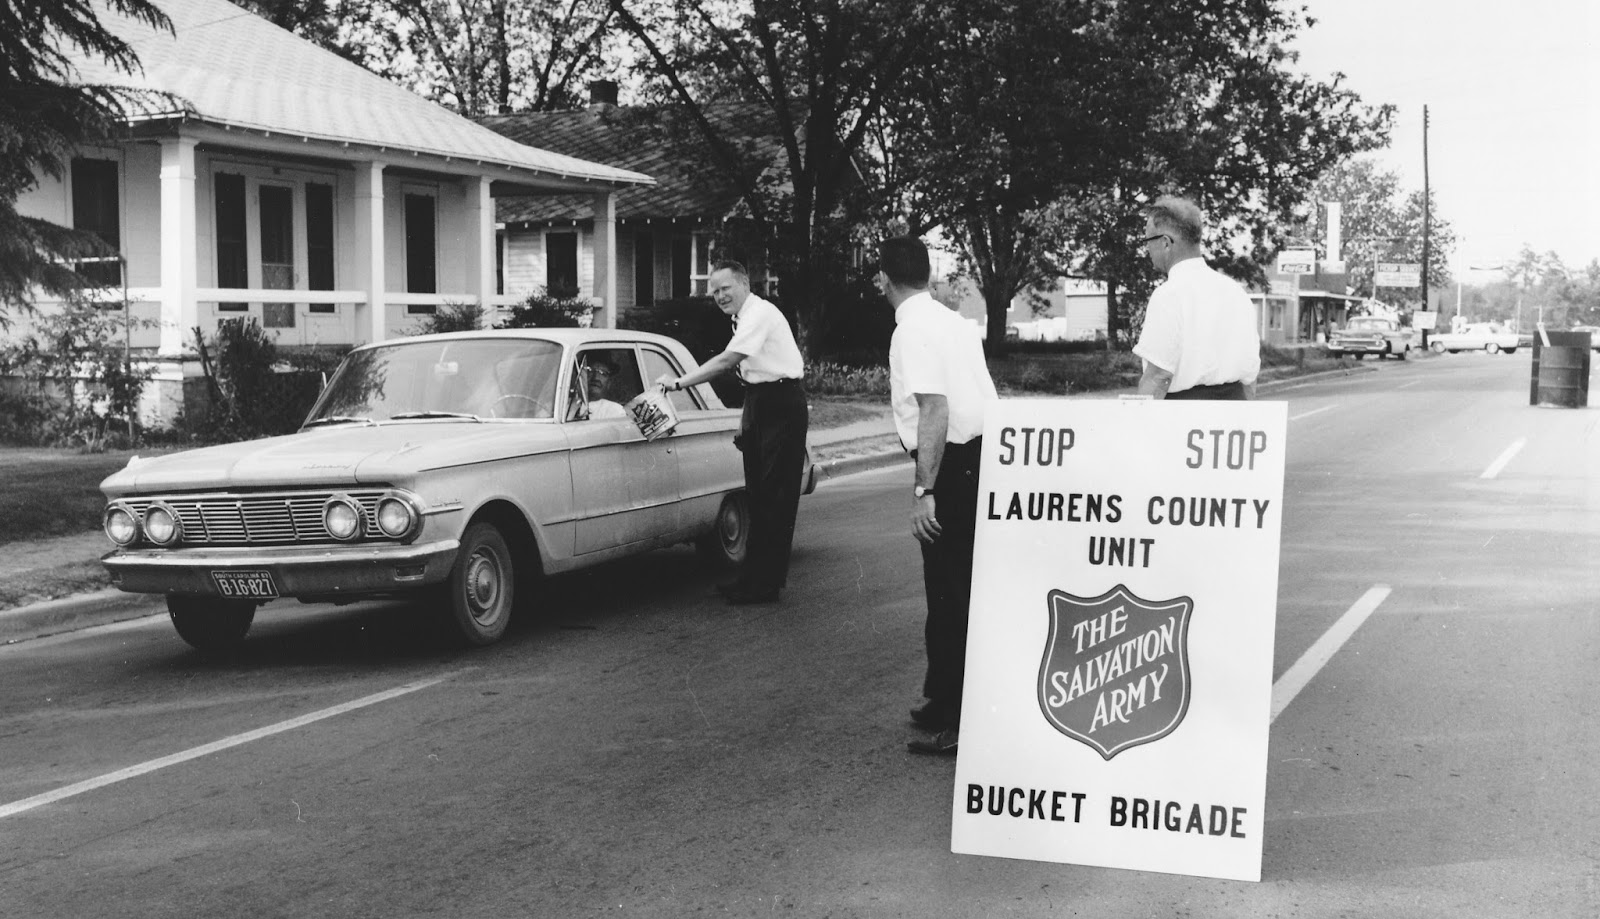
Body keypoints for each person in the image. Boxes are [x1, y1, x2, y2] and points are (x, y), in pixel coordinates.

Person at [876, 235, 998, 756]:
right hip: (982, 459)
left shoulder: (911, 330)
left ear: (884, 279)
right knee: (954, 590)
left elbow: (934, 409)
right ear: (927, 275)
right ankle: (941, 693)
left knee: (951, 596)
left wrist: (925, 489)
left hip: (953, 466)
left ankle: (957, 720)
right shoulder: (952, 320)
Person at [656, 260, 807, 605]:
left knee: (775, 496)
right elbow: (752, 376)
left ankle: (766, 584)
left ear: (744, 284)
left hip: (782, 403)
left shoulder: (759, 314)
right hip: (761, 400)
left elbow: (727, 361)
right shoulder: (743, 317)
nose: (720, 297)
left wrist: (678, 382)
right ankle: (752, 578)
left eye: (726, 289)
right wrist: (746, 421)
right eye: (714, 292)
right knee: (756, 494)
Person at [1132, 196, 1261, 400]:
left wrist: (1138, 428)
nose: (1146, 249)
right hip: (1234, 413)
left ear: (1165, 243)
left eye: (1148, 240)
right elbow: (1250, 378)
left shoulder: (1169, 295)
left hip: (1184, 417)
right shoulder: (1236, 292)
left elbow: (1158, 376)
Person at [581, 354, 627, 420]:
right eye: (590, 371)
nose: (596, 377)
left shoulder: (614, 411)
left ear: (609, 383)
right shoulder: (566, 405)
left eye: (603, 373)